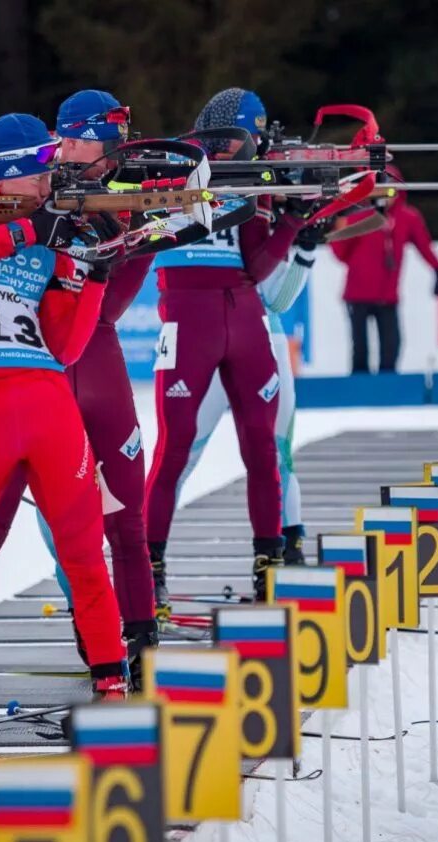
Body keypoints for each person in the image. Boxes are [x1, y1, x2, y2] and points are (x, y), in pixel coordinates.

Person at [0, 92, 163, 730]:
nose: (63, 163)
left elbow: (93, 313)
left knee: (115, 525)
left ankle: (132, 664)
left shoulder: (78, 202)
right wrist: (34, 227)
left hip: (68, 375)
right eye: (57, 149)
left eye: (75, 146)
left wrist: (115, 250)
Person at [143, 88, 306, 602]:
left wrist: (292, 220)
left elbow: (258, 269)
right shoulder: (170, 166)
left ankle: (270, 560)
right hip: (189, 324)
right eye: (251, 135)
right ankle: (149, 566)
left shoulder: (252, 181)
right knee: (173, 449)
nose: (257, 145)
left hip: (244, 318)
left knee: (262, 448)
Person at [173, 231, 315, 564]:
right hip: (201, 341)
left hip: (261, 343)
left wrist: (305, 247)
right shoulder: (187, 192)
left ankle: (288, 551)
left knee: (276, 455)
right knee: (178, 457)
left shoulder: (257, 205)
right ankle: (148, 561)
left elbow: (277, 299)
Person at [331, 170, 438, 373]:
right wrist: (338, 230)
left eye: (389, 190)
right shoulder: (360, 217)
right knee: (360, 349)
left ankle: (388, 392)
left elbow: (424, 246)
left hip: (388, 296)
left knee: (391, 346)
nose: (385, 196)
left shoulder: (408, 217)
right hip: (357, 294)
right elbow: (342, 255)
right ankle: (360, 392)